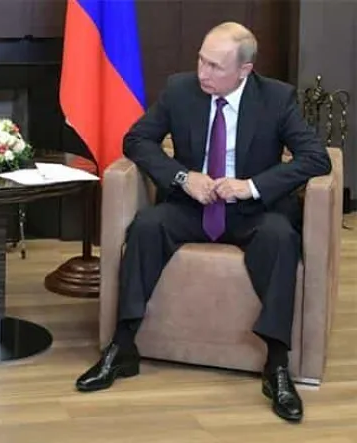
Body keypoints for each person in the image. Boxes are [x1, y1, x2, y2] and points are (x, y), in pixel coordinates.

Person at [74, 22, 331, 423]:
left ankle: (277, 364)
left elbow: (316, 157)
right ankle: (122, 348)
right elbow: (136, 140)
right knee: (146, 227)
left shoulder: (276, 98)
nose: (203, 73)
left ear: (244, 70)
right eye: (201, 60)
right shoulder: (180, 90)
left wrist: (251, 187)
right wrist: (182, 177)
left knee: (281, 238)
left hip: (251, 212)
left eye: (215, 66)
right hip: (192, 205)